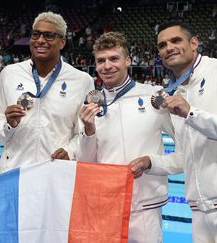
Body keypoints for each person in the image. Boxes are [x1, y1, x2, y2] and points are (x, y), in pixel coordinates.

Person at [130, 21, 217, 243]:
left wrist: (192, 114)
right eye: (162, 45)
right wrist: (151, 163)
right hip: (200, 208)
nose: (169, 48)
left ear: (194, 43)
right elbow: (186, 157)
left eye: (176, 40)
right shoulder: (178, 90)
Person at [77, 31, 174, 243]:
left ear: (128, 60)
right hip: (106, 204)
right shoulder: (89, 104)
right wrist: (89, 130)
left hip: (145, 204)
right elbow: (85, 162)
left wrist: (152, 162)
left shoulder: (153, 95)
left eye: (114, 58)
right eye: (101, 61)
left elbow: (187, 148)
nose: (107, 66)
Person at [0, 12, 94, 172]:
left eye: (49, 35)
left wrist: (70, 151)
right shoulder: (9, 74)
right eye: (36, 34)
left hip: (56, 173)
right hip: (14, 172)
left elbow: (83, 132)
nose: (40, 40)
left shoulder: (81, 81)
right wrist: (8, 124)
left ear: (62, 42)